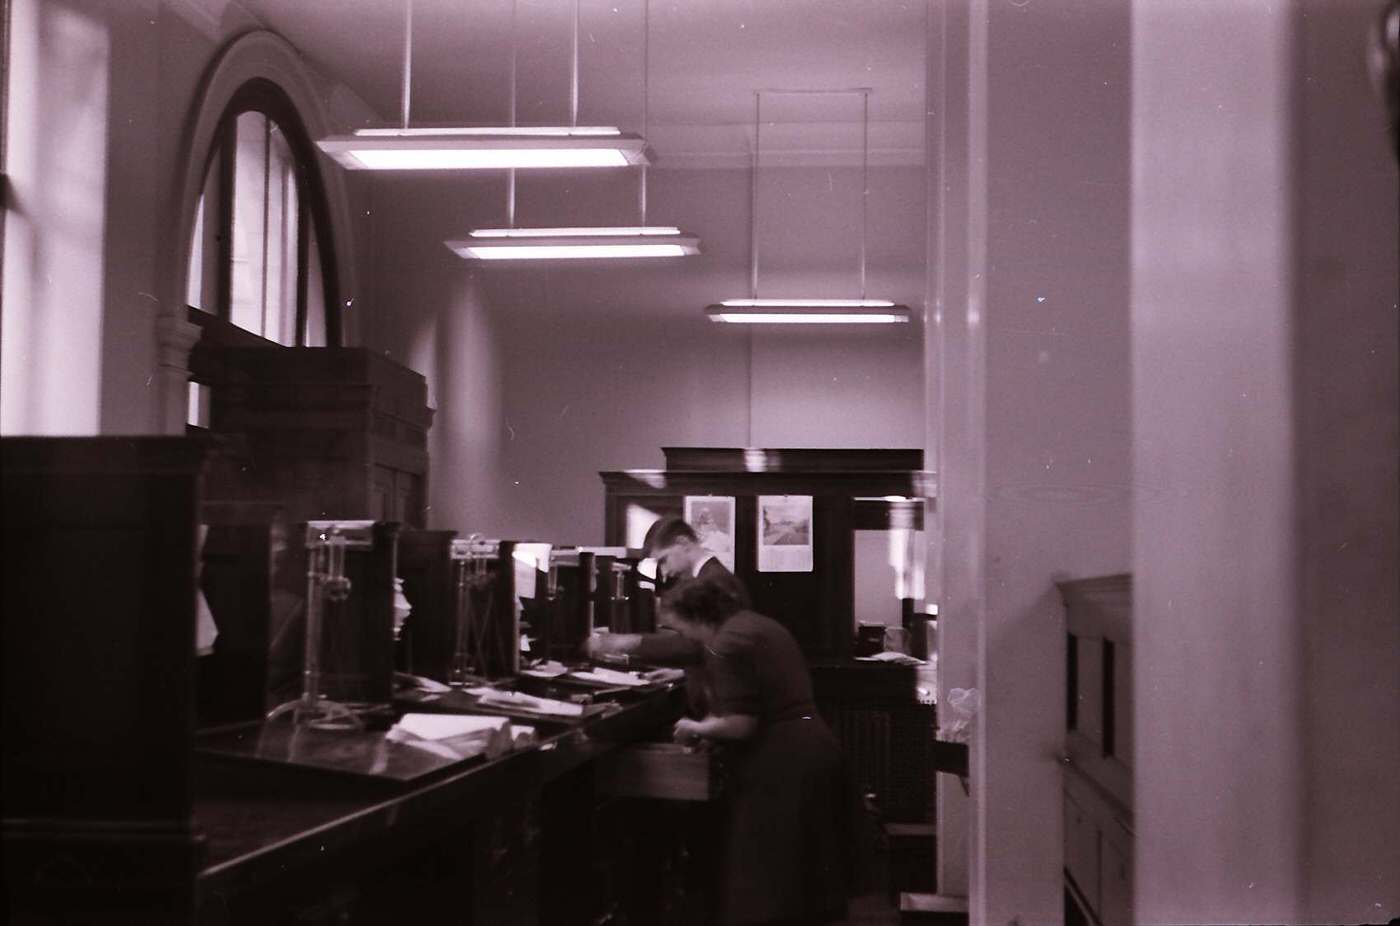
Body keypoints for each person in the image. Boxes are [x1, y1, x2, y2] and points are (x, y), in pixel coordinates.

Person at [667, 578, 851, 926]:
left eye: (685, 631)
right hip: (812, 746)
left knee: (767, 885)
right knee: (805, 882)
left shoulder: (725, 643)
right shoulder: (756, 624)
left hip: (782, 760)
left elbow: (741, 724)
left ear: (698, 617)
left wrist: (697, 728)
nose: (688, 640)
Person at [586, 516, 749, 712]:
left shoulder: (714, 581)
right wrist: (682, 673)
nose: (664, 572)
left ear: (683, 542)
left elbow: (700, 645)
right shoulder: (712, 577)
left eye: (664, 560)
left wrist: (626, 642)